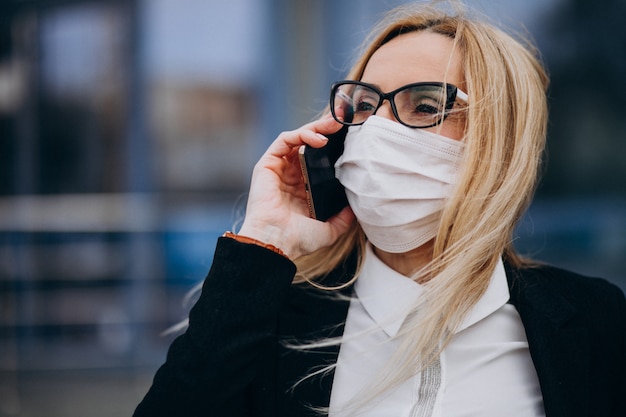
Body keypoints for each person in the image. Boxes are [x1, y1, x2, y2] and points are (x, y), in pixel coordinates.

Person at [134, 2, 626, 416]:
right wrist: (266, 238)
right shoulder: (273, 319)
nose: (377, 129)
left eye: (426, 105)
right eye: (364, 105)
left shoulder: (593, 321)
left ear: (500, 141)